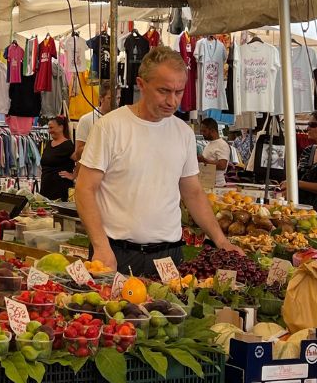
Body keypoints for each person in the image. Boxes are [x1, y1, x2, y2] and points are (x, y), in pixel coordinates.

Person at [75, 48, 242, 276]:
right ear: (141, 84)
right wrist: (101, 246)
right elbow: (85, 189)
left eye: (179, 92)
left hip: (169, 256)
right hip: (116, 253)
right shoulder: (110, 127)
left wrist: (220, 240)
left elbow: (192, 192)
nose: (172, 101)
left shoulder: (183, 132)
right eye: (163, 91)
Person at [73, 85, 114, 166]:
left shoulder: (120, 120)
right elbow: (78, 155)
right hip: (94, 171)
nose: (115, 102)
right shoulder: (86, 120)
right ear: (101, 98)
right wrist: (98, 141)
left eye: (118, 98)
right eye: (110, 98)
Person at [39, 116, 76, 200]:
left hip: (60, 189)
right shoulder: (49, 144)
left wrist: (73, 175)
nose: (49, 131)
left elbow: (81, 161)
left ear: (61, 127)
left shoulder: (67, 145)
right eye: (48, 128)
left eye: (51, 127)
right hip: (46, 188)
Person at [197, 117, 231, 191]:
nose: (202, 133)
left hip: (217, 186)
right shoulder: (209, 144)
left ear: (212, 130)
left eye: (204, 131)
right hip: (207, 184)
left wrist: (204, 160)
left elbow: (222, 165)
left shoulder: (222, 145)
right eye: (201, 131)